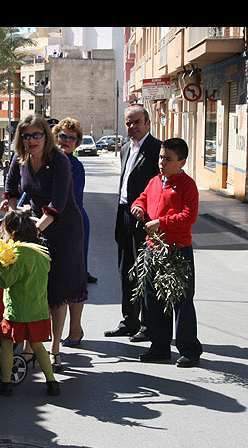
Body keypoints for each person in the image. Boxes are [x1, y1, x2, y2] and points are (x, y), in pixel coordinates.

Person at [2, 114, 86, 373]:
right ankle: (29, 347)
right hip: (35, 226)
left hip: (64, 228)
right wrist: (17, 217)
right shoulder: (20, 159)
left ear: (45, 137)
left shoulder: (59, 161)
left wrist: (33, 230)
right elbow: (11, 191)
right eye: (25, 135)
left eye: (36, 135)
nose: (31, 140)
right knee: (31, 287)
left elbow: (58, 203)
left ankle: (55, 349)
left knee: (56, 291)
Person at [130, 138, 202, 367]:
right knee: (153, 299)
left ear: (182, 162)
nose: (162, 162)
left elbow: (189, 217)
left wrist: (161, 223)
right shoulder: (154, 181)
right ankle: (159, 347)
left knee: (181, 301)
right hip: (154, 249)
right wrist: (138, 206)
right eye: (161, 157)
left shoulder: (187, 185)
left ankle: (189, 350)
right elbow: (143, 197)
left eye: (168, 159)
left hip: (177, 251)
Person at [0, 210, 59, 396]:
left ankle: (6, 383)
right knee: (38, 346)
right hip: (38, 309)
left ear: (13, 232)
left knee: (7, 343)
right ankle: (52, 383)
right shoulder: (41, 253)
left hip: (17, 310)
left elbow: (5, 281)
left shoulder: (16, 254)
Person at [104, 105, 161, 341]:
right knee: (126, 270)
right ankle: (129, 321)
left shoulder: (157, 149)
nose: (132, 127)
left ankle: (148, 326)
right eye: (128, 123)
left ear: (147, 123)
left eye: (137, 122)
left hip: (145, 219)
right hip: (125, 215)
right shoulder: (126, 148)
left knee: (145, 272)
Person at [50, 117, 90, 349]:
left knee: (75, 277)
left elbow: (63, 198)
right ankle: (52, 328)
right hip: (50, 222)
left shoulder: (74, 166)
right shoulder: (48, 161)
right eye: (62, 135)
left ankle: (76, 328)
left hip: (72, 224)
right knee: (52, 278)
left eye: (71, 138)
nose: (65, 140)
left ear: (77, 144)